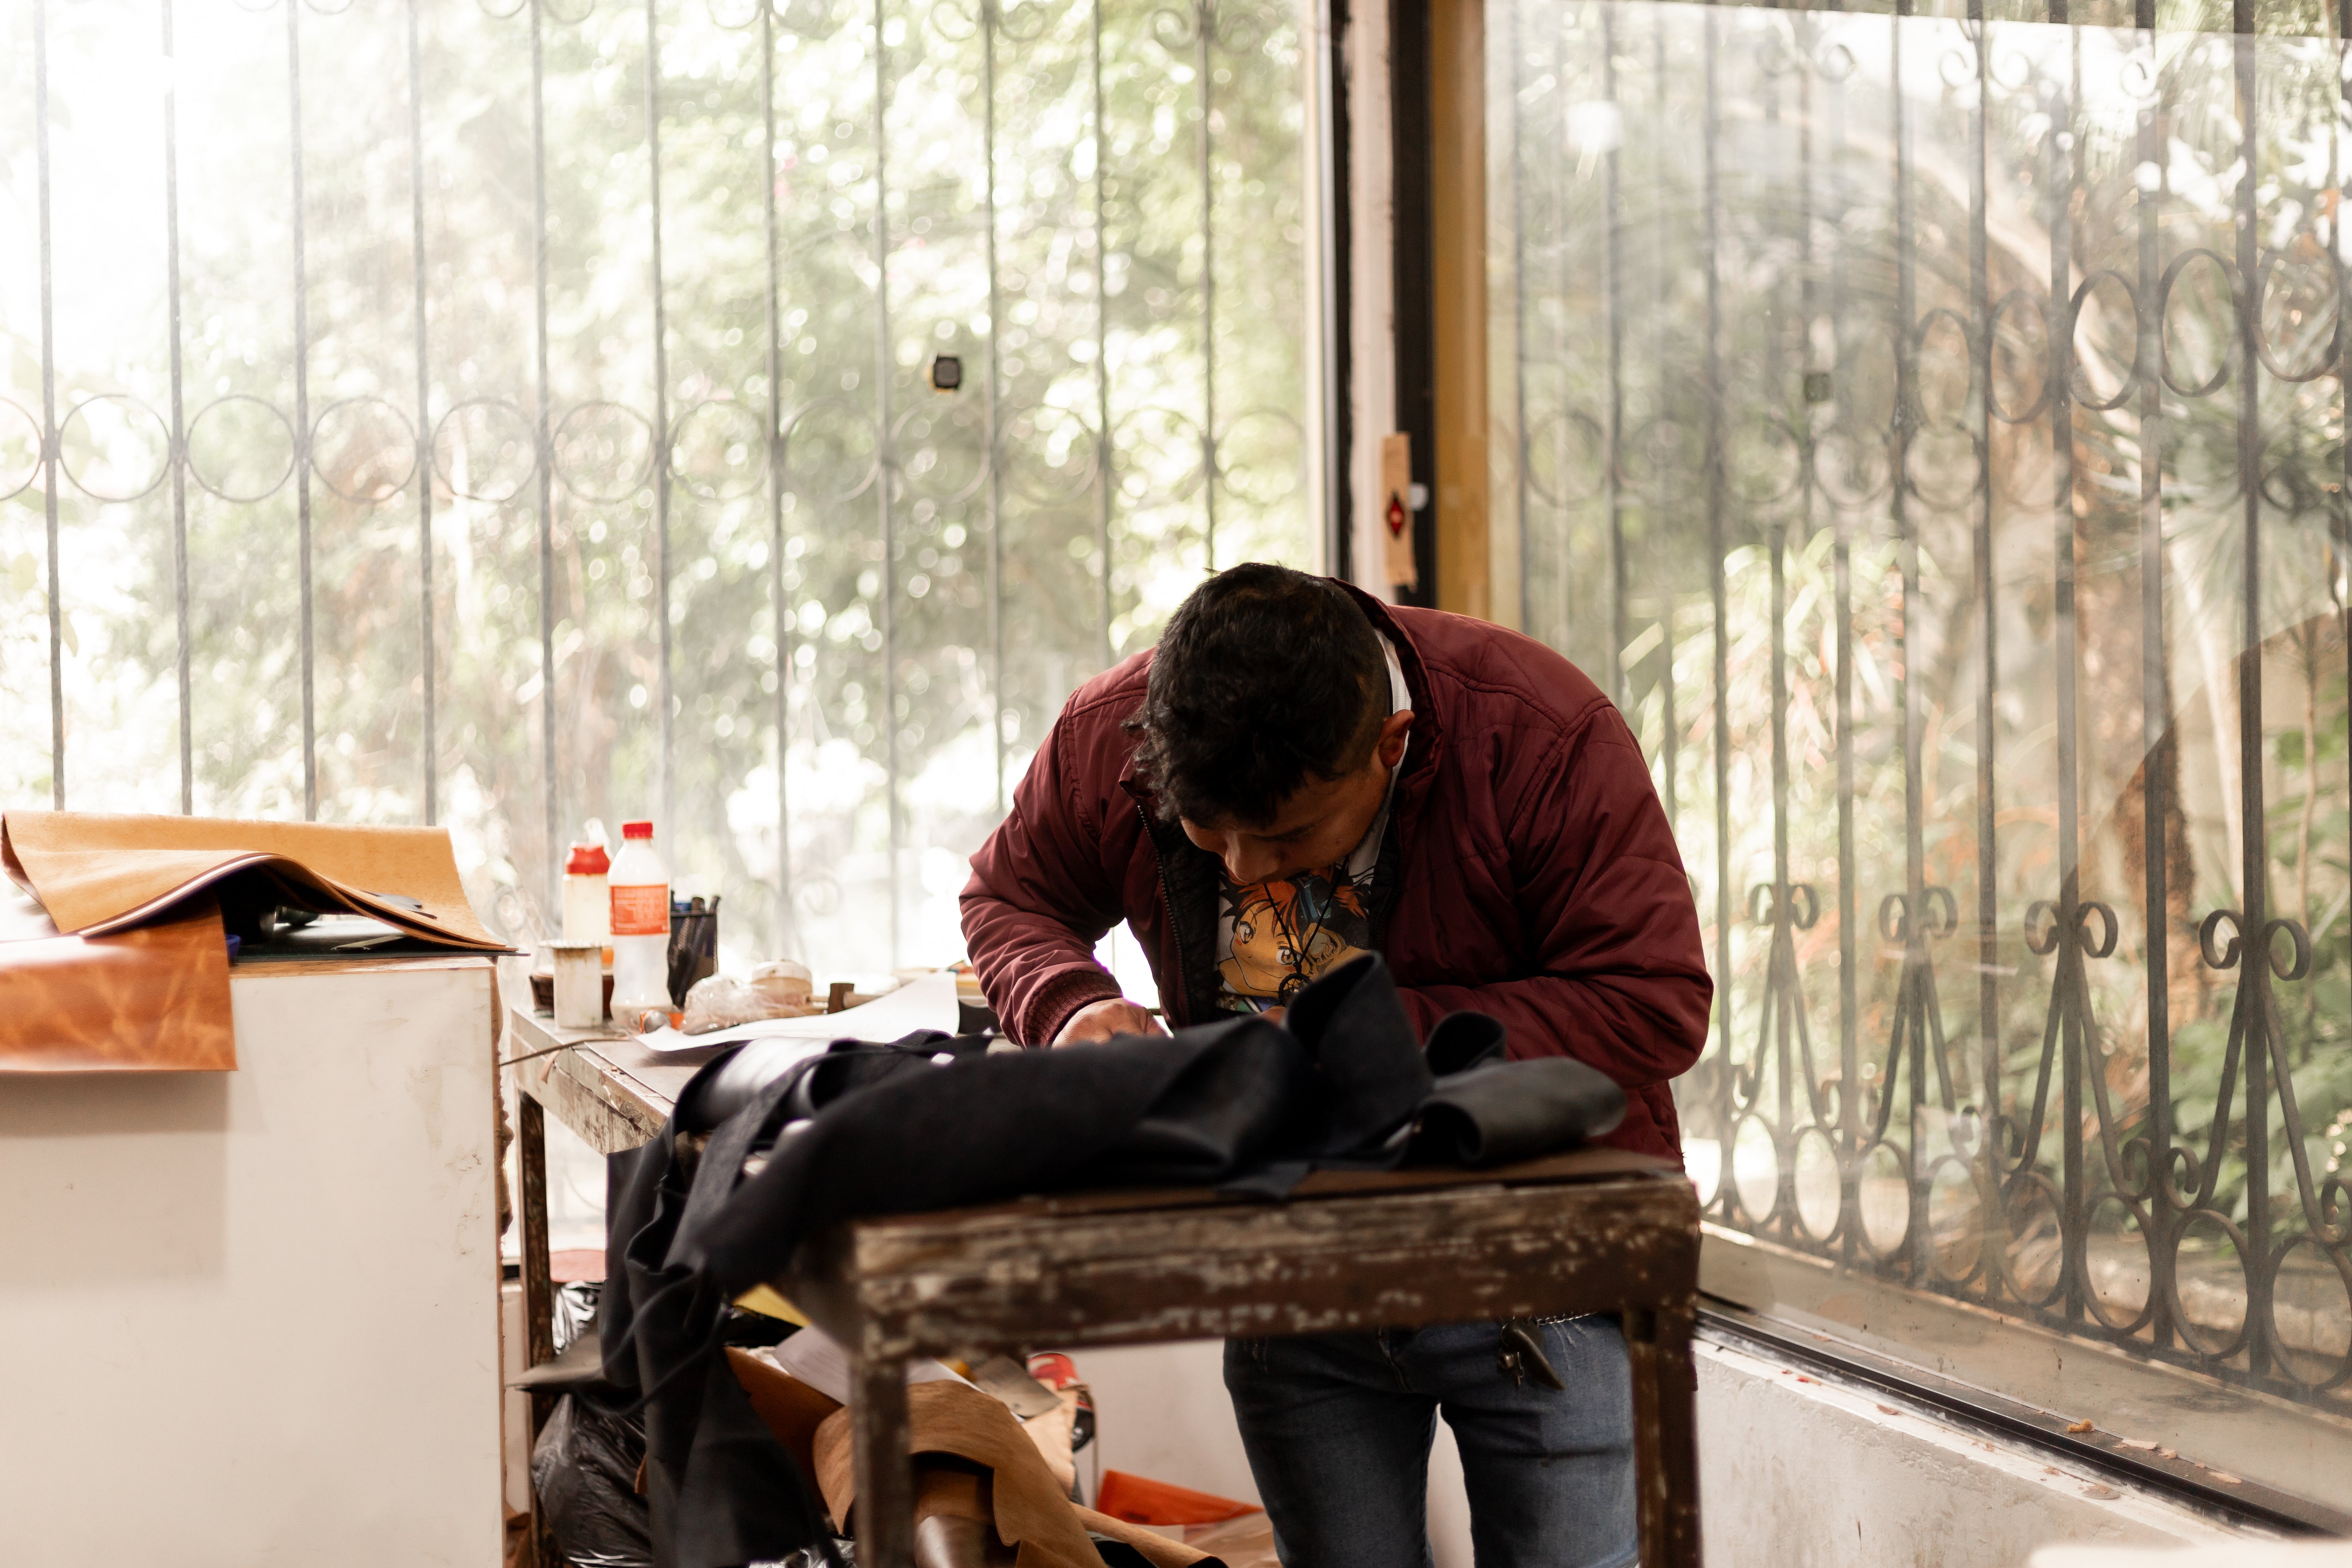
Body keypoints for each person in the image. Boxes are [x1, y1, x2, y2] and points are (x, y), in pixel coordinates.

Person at [960, 564, 1711, 1568]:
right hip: (1293, 1283)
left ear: (1389, 748)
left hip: (1541, 1276)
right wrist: (1073, 1004)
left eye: (1286, 835)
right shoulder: (1112, 735)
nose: (1243, 871)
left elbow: (1651, 998)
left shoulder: (1537, 733)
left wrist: (1345, 1045)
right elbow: (1011, 898)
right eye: (1205, 831)